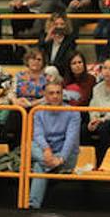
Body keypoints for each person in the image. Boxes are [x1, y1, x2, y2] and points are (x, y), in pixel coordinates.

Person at [28, 80, 81, 209]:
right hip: (47, 153)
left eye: (58, 93)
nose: (55, 96)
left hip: (65, 155)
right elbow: (38, 135)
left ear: (62, 94)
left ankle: (33, 204)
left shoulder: (73, 112)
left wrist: (61, 158)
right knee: (28, 145)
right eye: (51, 93)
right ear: (45, 96)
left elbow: (71, 139)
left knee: (39, 167)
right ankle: (49, 165)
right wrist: (47, 151)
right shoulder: (38, 111)